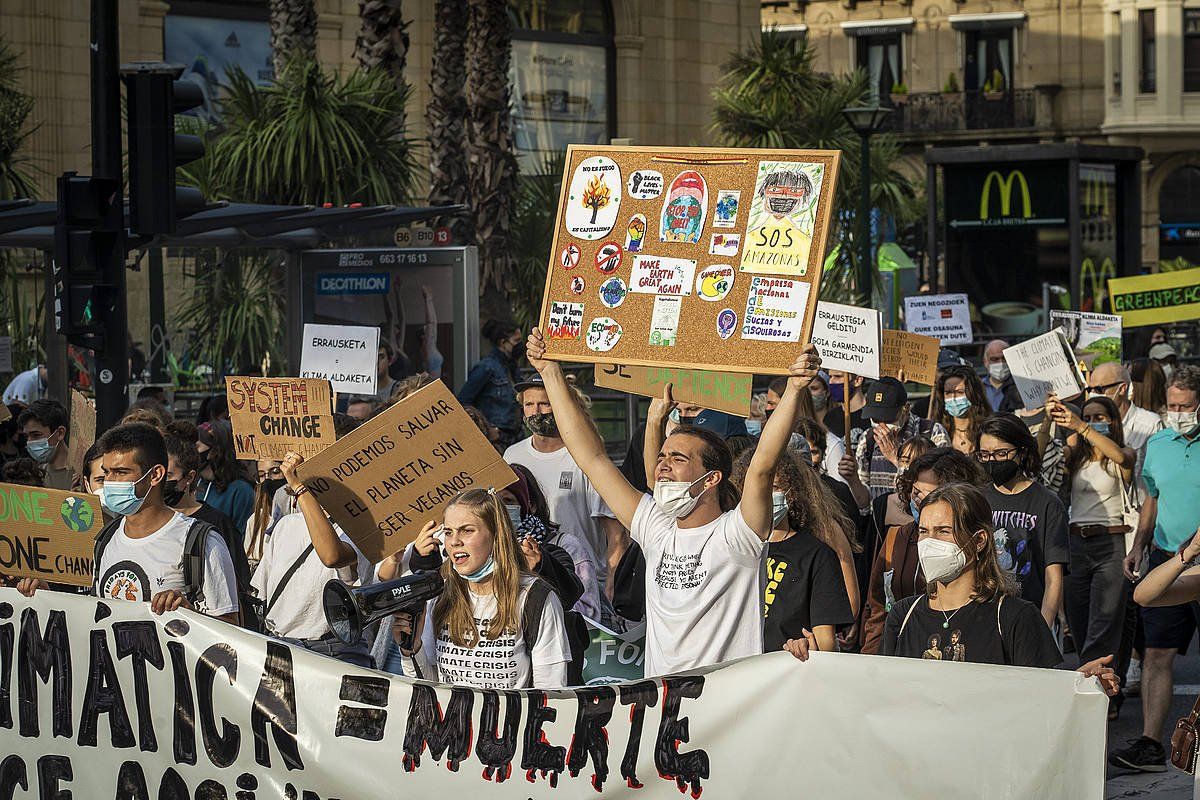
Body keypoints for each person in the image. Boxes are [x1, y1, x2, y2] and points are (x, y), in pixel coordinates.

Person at [525, 326, 822, 675]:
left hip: (729, 709)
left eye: (678, 459)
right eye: (662, 456)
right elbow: (592, 458)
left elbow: (761, 467)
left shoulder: (738, 535)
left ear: (711, 478)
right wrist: (550, 372)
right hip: (665, 711)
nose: (663, 465)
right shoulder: (656, 528)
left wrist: (794, 388)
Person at [786, 483, 1119, 694]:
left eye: (944, 531)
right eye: (925, 531)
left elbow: (1047, 700)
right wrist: (819, 659)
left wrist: (1081, 685)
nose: (930, 542)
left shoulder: (1014, 617)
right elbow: (880, 692)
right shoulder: (903, 615)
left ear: (978, 541)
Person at [17, 423, 240, 621]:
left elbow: (231, 629)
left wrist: (189, 614)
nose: (111, 482)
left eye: (121, 472)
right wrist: (46, 598)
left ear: (155, 475)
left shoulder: (199, 542)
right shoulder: (105, 539)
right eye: (106, 473)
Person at [1112, 365, 1200, 772]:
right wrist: (1139, 546)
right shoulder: (1159, 443)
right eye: (1172, 405)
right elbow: (1153, 500)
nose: (1178, 412)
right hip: (1168, 560)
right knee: (1156, 653)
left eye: (1187, 405)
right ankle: (1151, 743)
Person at [396, 488, 571, 688]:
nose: (454, 542)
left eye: (467, 530)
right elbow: (431, 688)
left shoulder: (535, 596)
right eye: (448, 532)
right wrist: (412, 649)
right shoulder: (441, 592)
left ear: (497, 536)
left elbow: (550, 692)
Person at [252, 451, 376, 667]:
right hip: (282, 649)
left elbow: (331, 555)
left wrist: (301, 489)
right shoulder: (285, 526)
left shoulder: (361, 529)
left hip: (332, 654)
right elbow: (260, 594)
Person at [860, 447, 990, 654]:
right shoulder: (896, 538)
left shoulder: (969, 543)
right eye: (916, 491)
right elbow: (877, 605)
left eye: (931, 493)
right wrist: (871, 660)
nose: (920, 500)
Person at [1050, 395, 1134, 709]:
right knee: (1081, 623)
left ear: (1113, 420)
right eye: (1088, 415)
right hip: (1076, 543)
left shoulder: (1122, 453)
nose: (1094, 420)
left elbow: (1123, 460)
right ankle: (1105, 684)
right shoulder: (1076, 456)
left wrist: (1081, 425)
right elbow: (1047, 460)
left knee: (1105, 622)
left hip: (1111, 543)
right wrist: (1051, 419)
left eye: (1101, 416)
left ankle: (1092, 696)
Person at [503, 374, 622, 588]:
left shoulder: (586, 458)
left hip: (584, 581)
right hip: (528, 578)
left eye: (544, 403)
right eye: (529, 404)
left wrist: (611, 584)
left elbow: (615, 531)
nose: (536, 412)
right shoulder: (512, 456)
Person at [732, 448, 853, 653]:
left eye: (775, 486)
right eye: (755, 487)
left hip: (785, 678)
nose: (764, 495)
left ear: (792, 492)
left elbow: (826, 642)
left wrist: (806, 646)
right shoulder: (728, 547)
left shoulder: (816, 555)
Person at [976, 414, 1070, 628]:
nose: (993, 461)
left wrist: (1042, 630)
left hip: (1030, 618)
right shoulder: (977, 500)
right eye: (984, 455)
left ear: (1023, 451)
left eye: (1001, 453)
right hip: (983, 620)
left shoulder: (1048, 504)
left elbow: (1053, 578)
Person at [506, 462, 600, 621]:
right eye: (494, 502)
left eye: (508, 501)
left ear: (530, 505)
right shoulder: (481, 552)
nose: (501, 509)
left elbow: (589, 612)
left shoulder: (563, 547)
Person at [853, 377, 949, 502]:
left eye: (888, 419)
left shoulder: (933, 432)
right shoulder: (867, 440)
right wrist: (852, 480)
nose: (882, 427)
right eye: (876, 420)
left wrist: (896, 459)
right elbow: (865, 504)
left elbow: (944, 487)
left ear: (906, 409)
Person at [1087, 361, 1164, 486]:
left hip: (1137, 502)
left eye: (1099, 389)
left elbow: (1159, 471)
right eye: (1090, 389)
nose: (1093, 394)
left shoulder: (1150, 424)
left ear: (1122, 389)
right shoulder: (1088, 422)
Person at [457, 319, 524, 445]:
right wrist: (487, 429)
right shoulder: (486, 367)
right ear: (503, 342)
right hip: (497, 438)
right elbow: (463, 401)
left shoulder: (512, 366)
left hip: (515, 435)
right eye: (516, 341)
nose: (520, 345)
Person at [195, 420, 255, 531]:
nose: (191, 451)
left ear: (214, 451)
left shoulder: (241, 490)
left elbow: (242, 536)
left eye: (196, 446)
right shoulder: (195, 484)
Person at [929, 365, 989, 455]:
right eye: (948, 393)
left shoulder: (988, 429)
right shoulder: (936, 432)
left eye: (960, 392)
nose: (953, 398)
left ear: (974, 394)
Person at [17, 398, 76, 490]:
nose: (29, 442)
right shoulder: (36, 475)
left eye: (36, 435)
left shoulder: (81, 475)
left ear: (60, 433)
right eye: (26, 436)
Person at [244, 459, 287, 571]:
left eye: (275, 472)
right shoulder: (254, 520)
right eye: (261, 475)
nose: (268, 479)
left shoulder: (300, 516)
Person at [823, 370, 866, 443]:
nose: (831, 381)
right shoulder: (830, 417)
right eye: (830, 376)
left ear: (858, 380)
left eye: (838, 376)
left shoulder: (872, 416)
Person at [982, 339, 1019, 412]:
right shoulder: (978, 388)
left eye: (1004, 358)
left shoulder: (1021, 386)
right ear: (985, 362)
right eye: (994, 359)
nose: (1001, 362)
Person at [420, 284, 445, 378]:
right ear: (423, 336)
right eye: (426, 329)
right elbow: (431, 323)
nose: (429, 330)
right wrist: (428, 300)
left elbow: (434, 324)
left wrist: (430, 300)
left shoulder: (431, 347)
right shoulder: (428, 348)